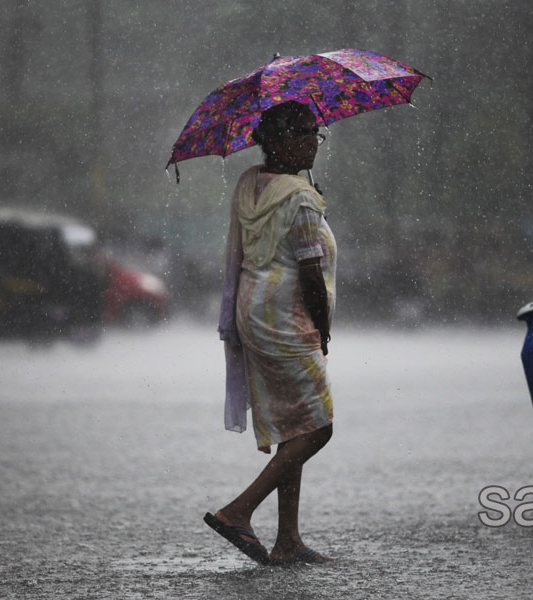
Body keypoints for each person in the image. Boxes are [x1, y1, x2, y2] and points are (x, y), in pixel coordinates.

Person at [206, 101, 335, 566]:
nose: (311, 142)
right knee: (318, 427)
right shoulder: (299, 197)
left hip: (251, 310)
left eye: (315, 133)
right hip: (286, 319)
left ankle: (288, 540)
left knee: (291, 424)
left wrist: (306, 191)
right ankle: (238, 510)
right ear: (276, 140)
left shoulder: (251, 183)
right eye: (301, 133)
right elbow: (310, 273)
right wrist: (323, 329)